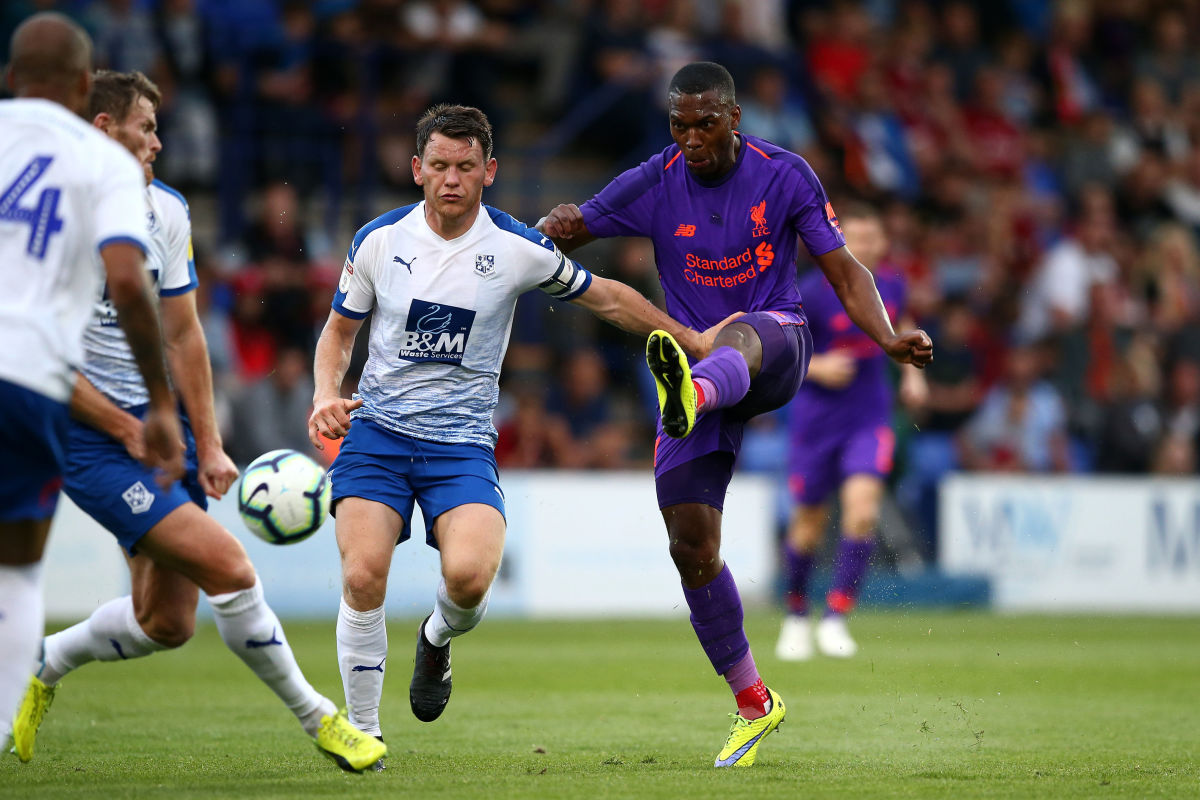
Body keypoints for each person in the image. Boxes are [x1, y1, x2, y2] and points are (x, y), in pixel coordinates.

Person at [538, 61, 933, 768]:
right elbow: (571, 230)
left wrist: (886, 336)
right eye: (679, 124)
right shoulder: (655, 180)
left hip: (777, 346)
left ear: (734, 118)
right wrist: (556, 225)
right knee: (691, 547)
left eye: (705, 122)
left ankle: (691, 395)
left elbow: (843, 270)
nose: (691, 137)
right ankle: (754, 702)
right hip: (698, 377)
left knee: (743, 331)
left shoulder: (786, 175)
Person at [309, 104, 733, 760]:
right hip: (378, 435)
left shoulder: (516, 249)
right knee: (364, 573)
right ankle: (364, 732)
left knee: (471, 582)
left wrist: (686, 338)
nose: (452, 178)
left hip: (463, 445)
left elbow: (609, 298)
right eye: (440, 166)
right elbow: (339, 334)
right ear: (416, 169)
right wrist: (323, 394)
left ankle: (436, 640)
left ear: (490, 172)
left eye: (466, 167)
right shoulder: (377, 241)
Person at [8, 69, 385, 773]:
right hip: (89, 436)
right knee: (230, 566)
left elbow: (183, 336)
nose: (159, 141)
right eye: (146, 127)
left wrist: (206, 443)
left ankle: (41, 664)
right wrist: (124, 427)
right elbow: (36, 355)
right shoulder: (49, 221)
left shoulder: (166, 212)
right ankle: (322, 719)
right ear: (102, 129)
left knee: (167, 622)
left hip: (159, 430)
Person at [0, 13, 183, 752]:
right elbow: (130, 286)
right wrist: (160, 404)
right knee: (15, 575)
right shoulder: (100, 162)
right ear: (83, 87)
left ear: (11, 79)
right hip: (30, 382)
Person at [778, 204, 928, 662]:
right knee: (808, 523)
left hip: (869, 416)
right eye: (854, 238)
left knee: (862, 511)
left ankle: (836, 616)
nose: (862, 247)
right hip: (817, 421)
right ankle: (796, 613)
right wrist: (817, 365)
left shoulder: (894, 284)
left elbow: (899, 321)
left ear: (882, 244)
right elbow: (782, 347)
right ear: (840, 241)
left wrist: (912, 372)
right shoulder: (812, 291)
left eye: (870, 239)